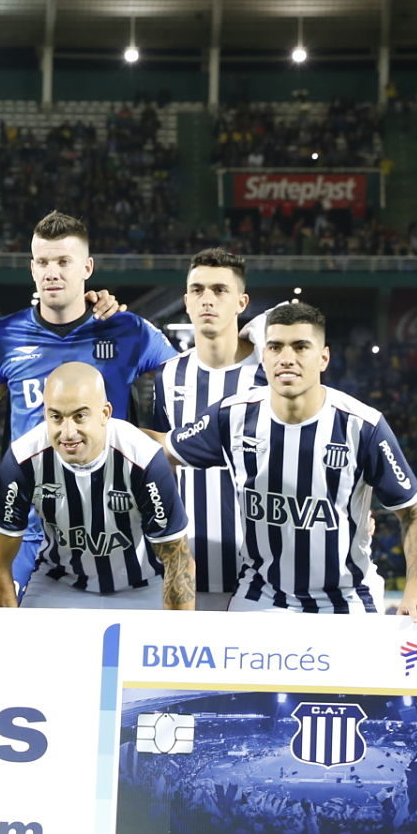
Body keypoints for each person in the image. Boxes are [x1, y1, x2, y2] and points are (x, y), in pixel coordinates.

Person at [164, 301, 417, 622]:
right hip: (262, 594)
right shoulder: (231, 415)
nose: (287, 358)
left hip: (348, 598)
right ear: (264, 356)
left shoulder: (363, 425)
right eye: (276, 347)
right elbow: (161, 451)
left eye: (300, 347)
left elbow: (414, 513)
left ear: (323, 358)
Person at [0, 212, 177, 594]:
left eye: (64, 262)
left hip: (116, 523)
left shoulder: (127, 330)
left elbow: (190, 383)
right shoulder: (4, 336)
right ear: (32, 268)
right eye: (43, 262)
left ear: (87, 268)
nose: (52, 272)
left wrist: (149, 443)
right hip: (31, 524)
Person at [0, 363, 193, 610]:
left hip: (143, 587)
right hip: (59, 584)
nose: (68, 432)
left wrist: (172, 639)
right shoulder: (22, 459)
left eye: (79, 416)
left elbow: (177, 560)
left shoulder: (144, 457)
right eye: (56, 417)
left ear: (105, 413)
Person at [152, 248, 266, 611]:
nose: (207, 300)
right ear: (186, 301)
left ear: (241, 302)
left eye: (219, 290)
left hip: (262, 573)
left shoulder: (271, 370)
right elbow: (162, 464)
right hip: (189, 569)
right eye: (198, 290)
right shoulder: (169, 375)